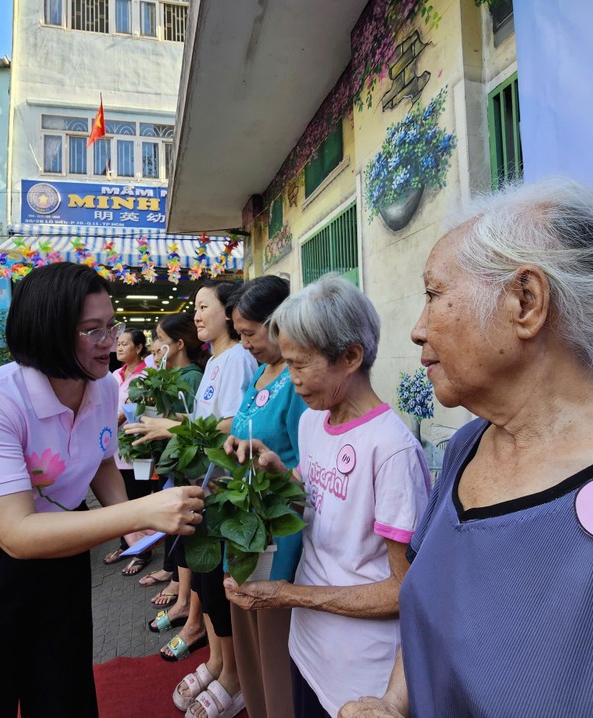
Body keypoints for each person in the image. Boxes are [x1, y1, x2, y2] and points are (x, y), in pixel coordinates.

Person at [338, 179, 593, 718]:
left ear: (526, 302)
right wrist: (393, 705)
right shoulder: (469, 446)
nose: (418, 330)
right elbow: (425, 613)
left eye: (433, 294)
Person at [0, 263, 204, 718]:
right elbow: (16, 533)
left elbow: (102, 459)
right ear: (47, 332)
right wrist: (141, 514)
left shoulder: (103, 388)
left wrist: (131, 526)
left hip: (64, 556)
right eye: (92, 331)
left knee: (61, 689)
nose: (109, 342)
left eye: (110, 327)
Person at [223, 275, 430, 718]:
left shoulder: (390, 449)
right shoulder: (313, 421)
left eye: (300, 365)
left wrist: (289, 595)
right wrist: (280, 472)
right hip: (308, 646)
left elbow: (403, 590)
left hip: (359, 677)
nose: (292, 380)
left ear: (351, 356)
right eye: (288, 364)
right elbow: (314, 495)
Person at [127, 281, 257, 717]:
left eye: (206, 307)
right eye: (196, 307)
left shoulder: (237, 358)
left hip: (221, 487)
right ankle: (217, 662)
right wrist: (170, 422)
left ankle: (233, 675)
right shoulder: (217, 359)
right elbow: (206, 419)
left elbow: (234, 424)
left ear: (229, 314)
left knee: (218, 586)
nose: (198, 315)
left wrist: (174, 429)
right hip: (202, 485)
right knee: (204, 579)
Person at [181, 276, 306, 718]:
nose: (245, 343)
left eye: (250, 334)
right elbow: (242, 433)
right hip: (243, 521)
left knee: (273, 635)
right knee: (245, 628)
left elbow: (306, 470)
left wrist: (270, 472)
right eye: (241, 333)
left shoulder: (299, 382)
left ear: (279, 325)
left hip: (279, 525)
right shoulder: (258, 374)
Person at [137, 314, 207, 607]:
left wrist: (164, 421)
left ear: (179, 344)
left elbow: (198, 423)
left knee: (185, 532)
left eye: (161, 340)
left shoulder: (191, 377)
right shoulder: (167, 377)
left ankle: (185, 599)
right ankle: (178, 584)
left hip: (186, 462)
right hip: (172, 462)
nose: (156, 345)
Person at [102, 329, 154, 576]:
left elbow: (129, 410)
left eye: (125, 344)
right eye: (118, 344)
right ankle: (126, 545)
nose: (119, 348)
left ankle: (143, 551)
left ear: (139, 348)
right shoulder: (114, 375)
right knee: (120, 499)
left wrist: (105, 427)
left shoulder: (146, 376)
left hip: (138, 449)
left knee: (138, 498)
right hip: (115, 450)